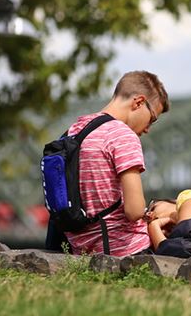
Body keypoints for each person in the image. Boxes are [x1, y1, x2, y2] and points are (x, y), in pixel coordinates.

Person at [64, 71, 169, 256]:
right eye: (152, 119)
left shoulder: (75, 130)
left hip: (80, 247)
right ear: (138, 102)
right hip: (123, 249)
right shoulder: (123, 135)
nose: (148, 129)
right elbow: (134, 211)